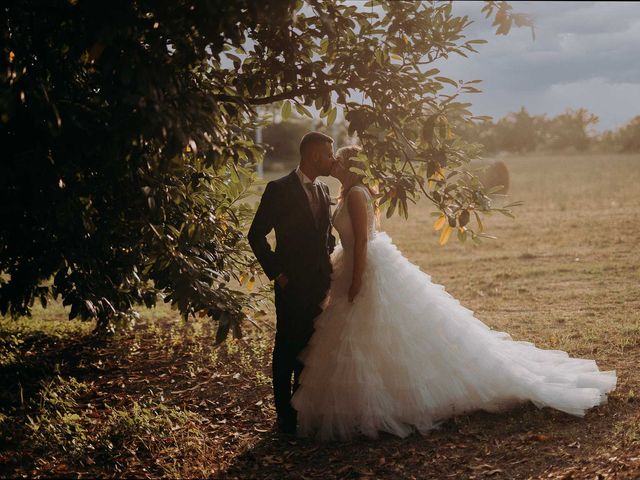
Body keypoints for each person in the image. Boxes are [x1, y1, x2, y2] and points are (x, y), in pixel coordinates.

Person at [290, 145, 617, 442]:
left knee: (378, 331)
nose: (334, 163)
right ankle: (361, 405)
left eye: (340, 159)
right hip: (350, 263)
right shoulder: (346, 192)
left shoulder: (357, 195)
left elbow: (361, 241)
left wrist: (356, 280)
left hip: (366, 266)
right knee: (361, 339)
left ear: (351, 166)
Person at [248, 131, 336, 435]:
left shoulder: (324, 189)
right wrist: (278, 274)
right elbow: (255, 234)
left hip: (320, 284)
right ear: (313, 156)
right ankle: (285, 416)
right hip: (290, 284)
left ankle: (302, 410)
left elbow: (326, 236)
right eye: (328, 154)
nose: (332, 159)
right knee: (286, 347)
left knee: (310, 346)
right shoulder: (279, 189)